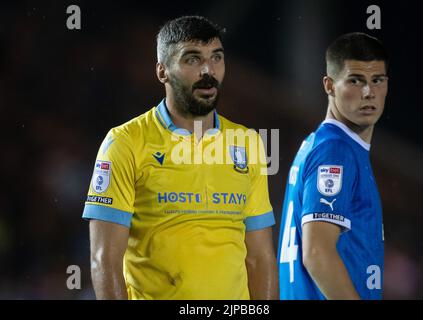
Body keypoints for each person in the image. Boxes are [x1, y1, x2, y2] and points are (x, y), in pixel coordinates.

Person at [82, 15, 278, 300]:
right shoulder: (125, 143)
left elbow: (260, 258)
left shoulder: (247, 143)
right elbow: (104, 260)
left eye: (216, 58)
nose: (208, 70)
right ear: (162, 71)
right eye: (192, 60)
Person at [277, 32, 388, 299]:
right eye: (355, 80)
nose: (368, 92)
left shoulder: (322, 144)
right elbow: (317, 253)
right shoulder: (335, 150)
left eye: (377, 80)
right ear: (329, 85)